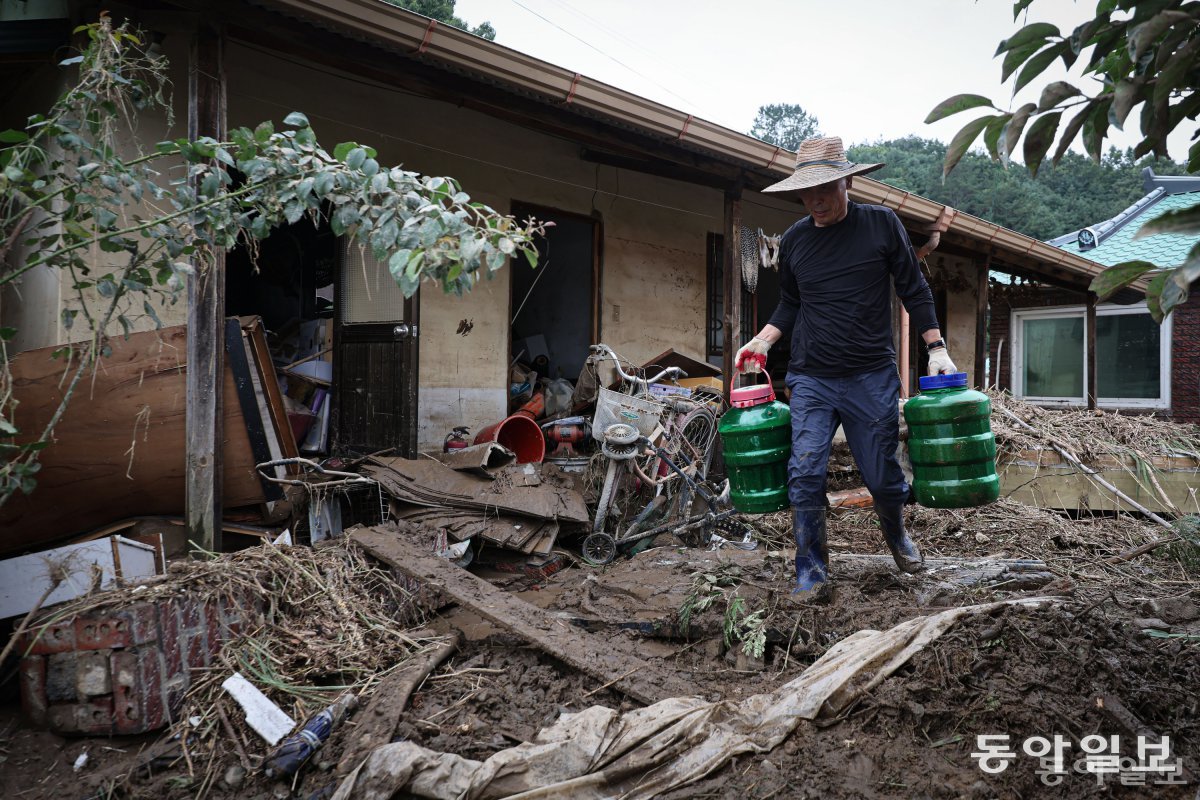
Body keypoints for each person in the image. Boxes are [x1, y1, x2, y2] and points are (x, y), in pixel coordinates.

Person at [734, 136, 956, 600]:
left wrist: (935, 347)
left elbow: (914, 289)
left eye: (825, 188)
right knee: (806, 471)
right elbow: (791, 303)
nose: (814, 201)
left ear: (848, 180)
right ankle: (811, 567)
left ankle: (895, 535)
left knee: (881, 477)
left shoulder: (881, 225)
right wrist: (761, 340)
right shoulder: (795, 241)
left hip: (871, 373)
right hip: (811, 376)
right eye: (805, 193)